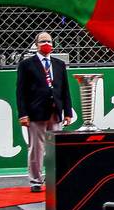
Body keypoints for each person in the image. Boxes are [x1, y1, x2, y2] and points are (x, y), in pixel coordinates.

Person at [16, 31, 75, 193]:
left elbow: (65, 90)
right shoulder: (26, 65)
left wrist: (68, 112)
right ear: (36, 44)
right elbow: (20, 92)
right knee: (36, 148)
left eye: (48, 41)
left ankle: (54, 178)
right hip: (36, 112)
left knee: (55, 148)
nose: (46, 44)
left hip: (55, 112)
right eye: (42, 41)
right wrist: (23, 114)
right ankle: (35, 180)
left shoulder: (59, 64)